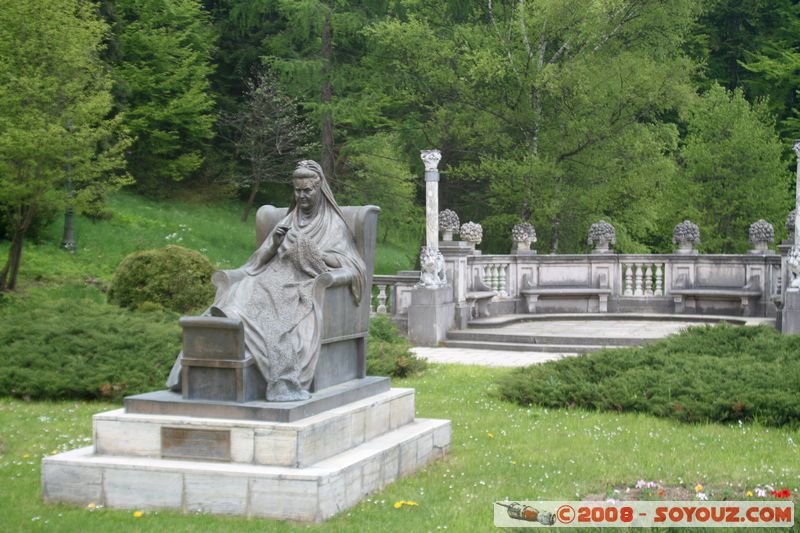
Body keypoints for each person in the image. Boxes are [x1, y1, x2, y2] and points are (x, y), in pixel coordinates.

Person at [166, 160, 366, 401]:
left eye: (307, 191)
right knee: (243, 288)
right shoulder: (289, 219)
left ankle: (246, 333)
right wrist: (273, 243)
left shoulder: (333, 224)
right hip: (270, 274)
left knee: (271, 308)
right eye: (297, 190)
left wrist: (311, 250)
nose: (301, 196)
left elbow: (349, 264)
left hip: (301, 281)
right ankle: (222, 329)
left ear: (319, 189)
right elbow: (258, 260)